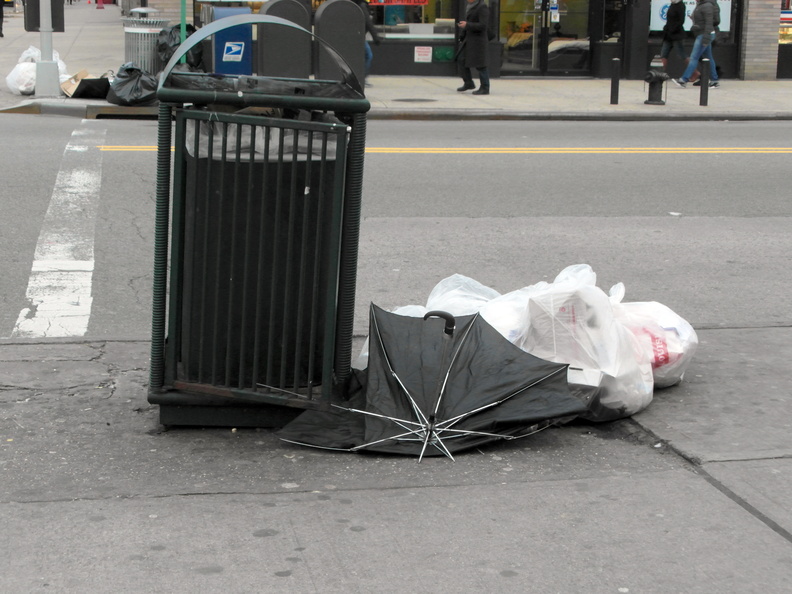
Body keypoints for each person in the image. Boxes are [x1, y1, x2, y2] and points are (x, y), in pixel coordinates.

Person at [672, 0, 720, 89]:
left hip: (704, 35)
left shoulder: (707, 5)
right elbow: (703, 21)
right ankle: (714, 80)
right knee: (709, 58)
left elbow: (709, 23)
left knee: (694, 57)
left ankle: (684, 80)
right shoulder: (701, 5)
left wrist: (706, 38)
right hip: (703, 34)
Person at [457, 0, 490, 95]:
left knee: (481, 65)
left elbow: (483, 25)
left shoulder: (482, 7)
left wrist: (467, 25)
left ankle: (485, 87)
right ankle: (468, 83)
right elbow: (468, 22)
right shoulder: (470, 6)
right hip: (469, 39)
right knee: (461, 59)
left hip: (478, 40)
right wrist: (462, 34)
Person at [661, 0, 699, 82]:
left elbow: (681, 21)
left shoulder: (680, 5)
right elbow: (670, 19)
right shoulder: (672, 4)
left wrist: (673, 29)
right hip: (668, 34)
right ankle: (660, 74)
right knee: (664, 54)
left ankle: (695, 72)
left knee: (682, 54)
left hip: (676, 34)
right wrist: (666, 28)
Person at [352, 0, 382, 87]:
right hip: (359, 36)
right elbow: (368, 22)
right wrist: (375, 37)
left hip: (354, 35)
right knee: (368, 55)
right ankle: (361, 79)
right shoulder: (361, 5)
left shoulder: (354, 3)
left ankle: (359, 78)